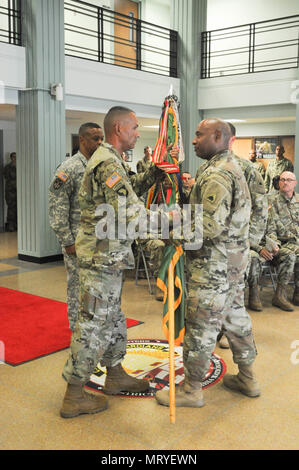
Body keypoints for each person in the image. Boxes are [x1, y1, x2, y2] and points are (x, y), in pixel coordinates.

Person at [60, 106, 174, 418]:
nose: (138, 133)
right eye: (135, 127)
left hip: (108, 255)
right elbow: (131, 214)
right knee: (93, 325)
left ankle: (115, 373)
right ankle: (73, 394)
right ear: (119, 129)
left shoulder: (113, 160)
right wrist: (173, 218)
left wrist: (153, 174)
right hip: (100, 257)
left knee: (112, 320)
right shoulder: (107, 161)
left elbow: (127, 194)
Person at [155, 118, 259, 409]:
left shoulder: (218, 173)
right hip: (233, 263)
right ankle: (248, 377)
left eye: (199, 135)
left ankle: (192, 389)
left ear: (217, 135)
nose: (193, 140)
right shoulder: (228, 166)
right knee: (235, 317)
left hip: (213, 266)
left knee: (201, 324)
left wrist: (170, 232)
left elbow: (209, 226)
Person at [49, 123, 104, 331]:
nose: (99, 142)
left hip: (99, 239)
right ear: (82, 140)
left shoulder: (101, 166)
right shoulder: (69, 168)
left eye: (101, 138)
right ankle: (77, 328)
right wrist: (67, 241)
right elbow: (57, 207)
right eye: (94, 138)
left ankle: (94, 323)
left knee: (97, 284)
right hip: (78, 240)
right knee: (77, 285)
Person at [264, 171, 299, 311]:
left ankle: (297, 292)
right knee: (290, 254)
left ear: (295, 183)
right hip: (279, 245)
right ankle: (279, 295)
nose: (285, 182)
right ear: (279, 183)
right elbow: (269, 229)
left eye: (289, 180)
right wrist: (274, 244)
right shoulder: (270, 201)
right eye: (283, 179)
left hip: (296, 243)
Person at [3, 152, 17, 232]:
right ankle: (11, 225)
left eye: (16, 157)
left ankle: (17, 225)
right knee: (11, 209)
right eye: (14, 157)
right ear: (11, 158)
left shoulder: (20, 166)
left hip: (18, 191)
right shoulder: (8, 167)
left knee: (18, 208)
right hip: (10, 192)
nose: (15, 159)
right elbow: (7, 177)